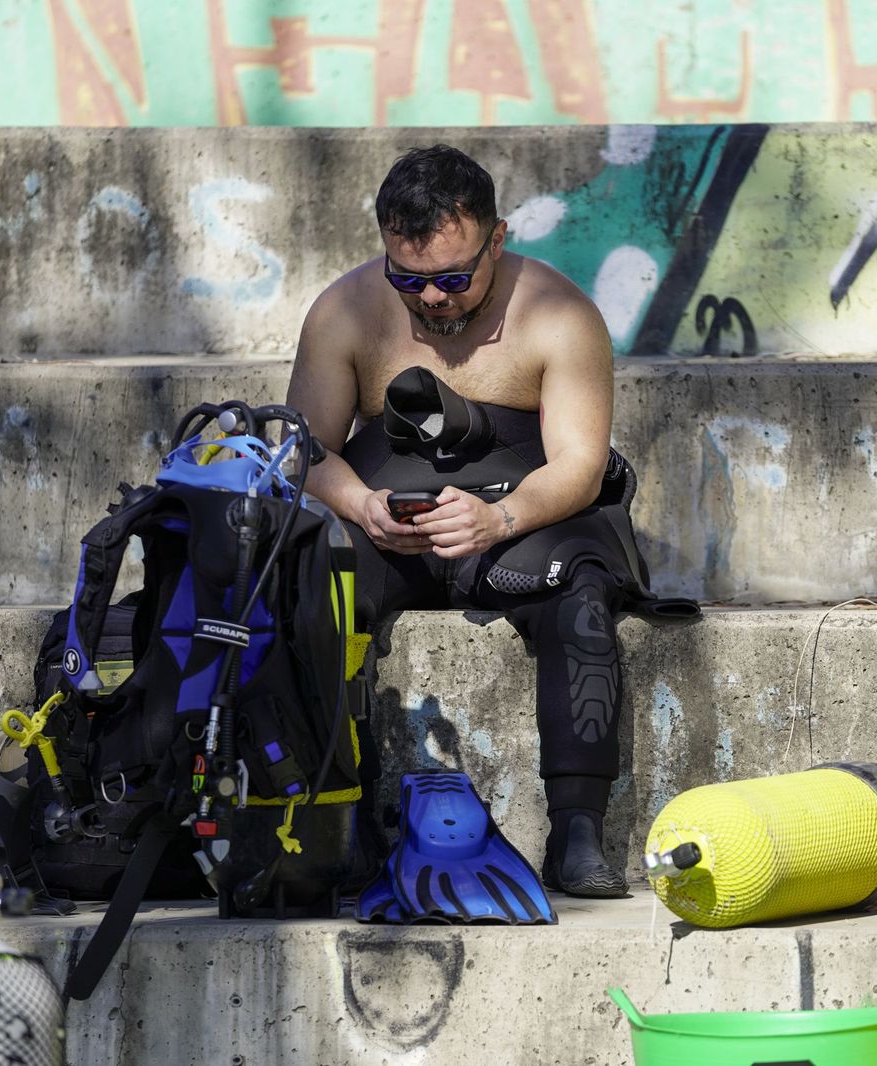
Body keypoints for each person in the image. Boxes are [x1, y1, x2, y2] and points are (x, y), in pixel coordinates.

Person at [286, 144, 689, 899]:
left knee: (582, 594)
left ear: (497, 239)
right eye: (409, 279)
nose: (432, 298)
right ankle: (343, 825)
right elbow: (307, 447)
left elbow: (578, 464)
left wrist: (499, 518)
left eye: (452, 278)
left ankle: (575, 833)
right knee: (312, 587)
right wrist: (360, 506)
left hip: (519, 516)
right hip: (392, 526)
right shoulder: (347, 311)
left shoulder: (559, 314)